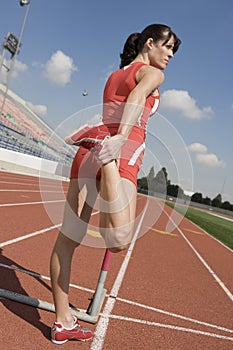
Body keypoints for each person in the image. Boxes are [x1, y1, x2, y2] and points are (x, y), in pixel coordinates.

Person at [50, 23, 181, 344]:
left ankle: (62, 321)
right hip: (119, 151)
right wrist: (120, 139)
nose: (170, 55)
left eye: (174, 51)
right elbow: (137, 96)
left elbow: (124, 94)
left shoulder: (114, 74)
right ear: (150, 43)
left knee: (68, 240)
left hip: (91, 153)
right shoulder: (152, 74)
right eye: (167, 47)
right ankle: (100, 145)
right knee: (119, 239)